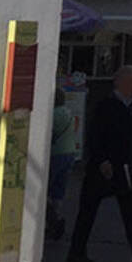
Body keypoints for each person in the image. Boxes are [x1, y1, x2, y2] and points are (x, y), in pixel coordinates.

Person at [68, 65, 132, 262]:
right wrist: (101, 159)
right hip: (104, 166)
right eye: (131, 82)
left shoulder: (131, 105)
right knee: (88, 209)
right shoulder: (106, 105)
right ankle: (76, 251)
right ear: (121, 82)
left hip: (123, 165)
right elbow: (95, 134)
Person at [46, 88, 76, 240]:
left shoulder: (53, 114)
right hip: (70, 152)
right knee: (59, 189)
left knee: (45, 189)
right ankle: (57, 215)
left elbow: (48, 132)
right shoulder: (68, 112)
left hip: (55, 153)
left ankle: (52, 221)